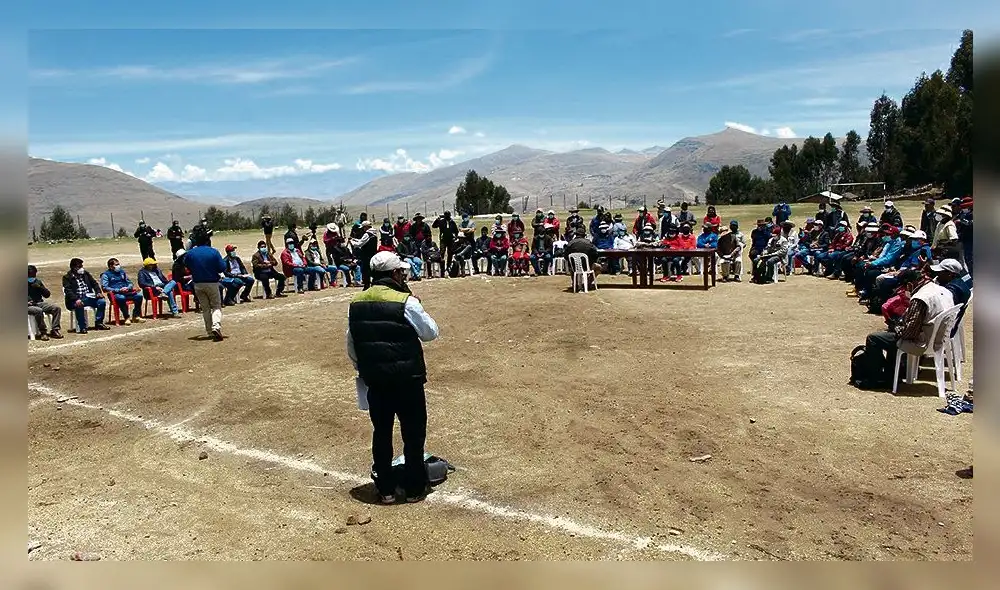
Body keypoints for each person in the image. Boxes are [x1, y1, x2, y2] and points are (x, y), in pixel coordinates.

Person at [346, 251, 439, 504]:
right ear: (395, 274)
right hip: (407, 379)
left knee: (382, 432)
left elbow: (352, 344)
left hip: (376, 381)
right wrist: (417, 303)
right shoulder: (406, 302)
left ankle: (385, 488)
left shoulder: (356, 302)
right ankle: (413, 488)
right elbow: (430, 333)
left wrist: (365, 369)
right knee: (413, 434)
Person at [863, 268, 953, 386]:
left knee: (874, 338)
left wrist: (896, 328)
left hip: (922, 342)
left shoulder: (919, 298)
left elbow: (909, 333)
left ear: (910, 284)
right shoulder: (943, 290)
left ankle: (877, 378)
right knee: (890, 336)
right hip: (939, 338)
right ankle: (893, 372)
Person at [185, 231, 227, 341]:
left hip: (197, 283)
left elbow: (186, 265)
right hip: (212, 282)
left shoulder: (190, 253)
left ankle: (209, 331)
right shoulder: (213, 252)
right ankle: (216, 326)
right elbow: (222, 267)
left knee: (205, 309)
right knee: (216, 306)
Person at [62, 258, 110, 333]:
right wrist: (76, 299)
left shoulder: (85, 274)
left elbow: (94, 283)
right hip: (75, 299)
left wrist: (98, 292)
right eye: (79, 266)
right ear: (74, 268)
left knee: (101, 301)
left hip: (88, 297)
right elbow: (68, 291)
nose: (81, 268)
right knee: (79, 305)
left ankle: (99, 323)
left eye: (82, 266)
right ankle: (82, 327)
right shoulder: (67, 277)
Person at [101, 258, 145, 325]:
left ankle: (136, 316)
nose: (118, 266)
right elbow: (105, 288)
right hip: (115, 294)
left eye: (118, 264)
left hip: (126, 292)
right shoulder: (106, 275)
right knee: (121, 298)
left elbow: (129, 282)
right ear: (110, 266)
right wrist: (118, 290)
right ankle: (126, 317)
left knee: (139, 296)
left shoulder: (122, 272)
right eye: (116, 265)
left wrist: (128, 287)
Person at [28, 265, 63, 340]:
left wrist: (40, 287)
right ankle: (43, 332)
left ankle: (55, 329)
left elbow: (47, 295)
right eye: (30, 275)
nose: (32, 277)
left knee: (56, 308)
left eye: (33, 275)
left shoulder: (37, 282)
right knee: (38, 311)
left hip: (39, 303)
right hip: (28, 306)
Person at [351, 220, 380, 289]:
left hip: (366, 255)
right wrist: (355, 239)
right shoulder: (374, 234)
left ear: (366, 227)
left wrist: (352, 242)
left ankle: (366, 286)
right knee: (372, 270)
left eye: (364, 227)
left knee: (366, 271)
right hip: (372, 254)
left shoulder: (367, 234)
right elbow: (363, 241)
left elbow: (360, 244)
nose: (363, 229)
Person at [954, 196, 973, 275]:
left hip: (972, 240)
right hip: (965, 240)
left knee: (971, 259)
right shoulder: (963, 214)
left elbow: (971, 224)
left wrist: (961, 221)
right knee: (967, 259)